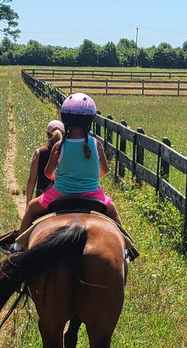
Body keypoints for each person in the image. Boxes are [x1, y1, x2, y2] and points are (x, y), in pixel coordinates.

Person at [13, 93, 136, 258]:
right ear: (89, 121)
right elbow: (104, 170)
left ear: (66, 120)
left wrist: (58, 177)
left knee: (31, 208)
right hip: (93, 195)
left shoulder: (59, 146)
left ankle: (18, 246)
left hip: (60, 194)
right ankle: (126, 248)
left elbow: (48, 173)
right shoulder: (95, 144)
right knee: (113, 211)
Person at [26, 119, 65, 210]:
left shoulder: (39, 152)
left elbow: (31, 181)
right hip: (64, 197)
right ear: (64, 134)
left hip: (44, 198)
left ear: (47, 135)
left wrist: (28, 204)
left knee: (30, 212)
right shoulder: (68, 152)